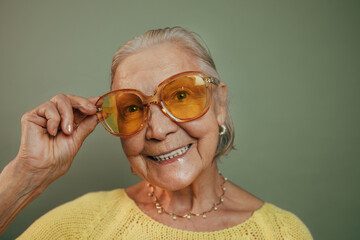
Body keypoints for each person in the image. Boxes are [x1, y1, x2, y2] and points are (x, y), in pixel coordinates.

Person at [0, 26, 313, 239]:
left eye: (180, 96)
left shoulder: (282, 232)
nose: (159, 130)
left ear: (219, 104)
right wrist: (25, 177)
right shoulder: (82, 226)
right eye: (133, 108)